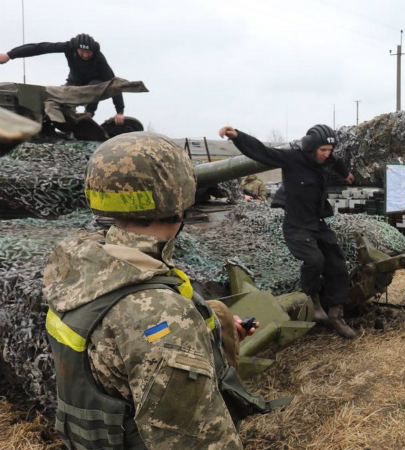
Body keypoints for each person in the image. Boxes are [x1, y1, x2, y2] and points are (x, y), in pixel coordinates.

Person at [42, 132, 270, 448]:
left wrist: (212, 326)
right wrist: (181, 331)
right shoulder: (160, 313)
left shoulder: (80, 268)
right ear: (178, 196)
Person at [219, 124, 357, 339]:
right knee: (314, 260)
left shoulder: (326, 159)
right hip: (296, 225)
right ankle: (313, 302)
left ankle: (336, 313)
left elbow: (336, 163)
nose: (327, 154)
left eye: (329, 150)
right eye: (323, 150)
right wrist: (237, 136)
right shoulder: (292, 159)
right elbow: (263, 152)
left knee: (337, 263)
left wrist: (346, 174)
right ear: (311, 148)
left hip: (317, 222)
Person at [0, 34, 125, 125]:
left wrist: (119, 111)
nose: (86, 55)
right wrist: (10, 55)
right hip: (74, 82)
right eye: (82, 52)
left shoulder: (99, 59)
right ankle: (56, 120)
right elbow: (40, 48)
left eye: (89, 53)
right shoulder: (68, 47)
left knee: (94, 85)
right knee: (56, 97)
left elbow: (115, 85)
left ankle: (88, 114)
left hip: (95, 84)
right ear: (76, 49)